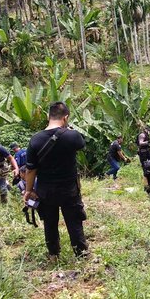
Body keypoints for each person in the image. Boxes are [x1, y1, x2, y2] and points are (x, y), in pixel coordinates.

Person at [24, 102, 88, 261]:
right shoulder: (72, 135)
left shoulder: (35, 140)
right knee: (74, 221)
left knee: (50, 223)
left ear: (48, 116)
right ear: (66, 117)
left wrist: (28, 190)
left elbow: (30, 170)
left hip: (46, 190)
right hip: (69, 189)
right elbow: (81, 144)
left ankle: (53, 254)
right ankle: (81, 253)